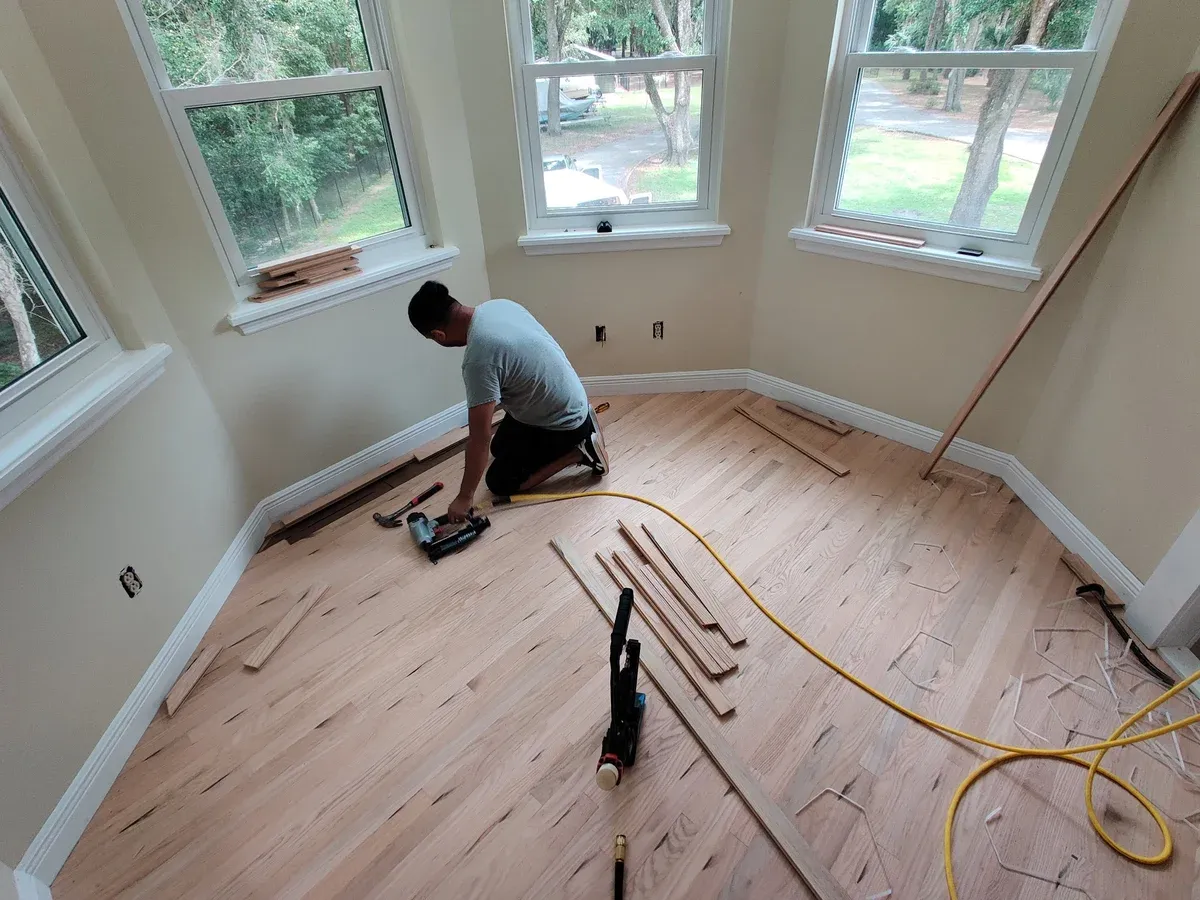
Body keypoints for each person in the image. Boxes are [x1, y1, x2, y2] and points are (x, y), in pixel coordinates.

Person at [408, 281, 609, 522]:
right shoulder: (497, 307)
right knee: (498, 449)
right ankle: (581, 427)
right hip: (567, 398)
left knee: (499, 482)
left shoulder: (479, 358)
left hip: (562, 421)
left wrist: (464, 497)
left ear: (438, 335)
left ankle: (581, 450)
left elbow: (479, 438)